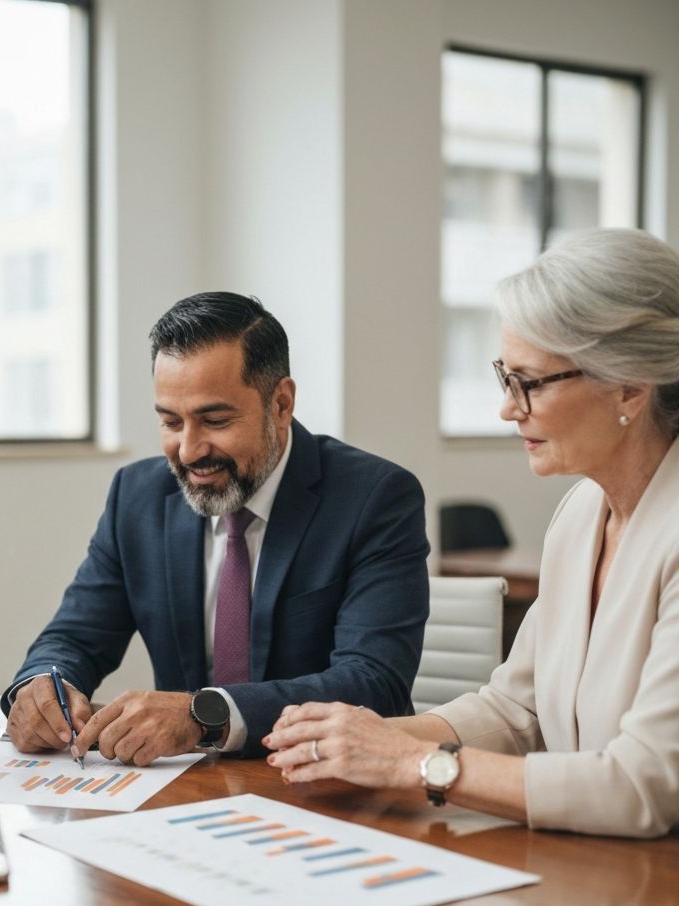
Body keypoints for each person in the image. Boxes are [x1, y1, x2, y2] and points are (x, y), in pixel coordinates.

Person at [264, 228, 679, 838]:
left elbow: (641, 785)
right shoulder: (581, 514)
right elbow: (516, 709)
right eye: (503, 377)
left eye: (530, 382)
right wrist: (363, 738)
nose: (508, 408)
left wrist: (412, 763)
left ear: (630, 385)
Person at [4, 292, 429, 763]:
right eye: (170, 422)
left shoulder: (375, 498)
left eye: (215, 420)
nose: (188, 451)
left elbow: (375, 681)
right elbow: (75, 637)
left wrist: (206, 714)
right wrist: (44, 685)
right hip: (186, 785)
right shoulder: (138, 495)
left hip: (325, 780)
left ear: (282, 404)